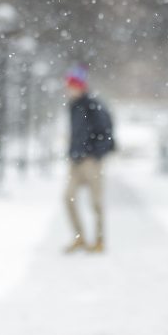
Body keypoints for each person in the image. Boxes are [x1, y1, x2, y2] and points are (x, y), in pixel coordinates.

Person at [63, 66, 115, 254]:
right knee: (68, 198)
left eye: (71, 85)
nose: (68, 89)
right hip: (75, 161)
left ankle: (99, 240)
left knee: (96, 202)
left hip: (91, 161)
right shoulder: (73, 106)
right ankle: (80, 238)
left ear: (80, 86)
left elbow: (107, 132)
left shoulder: (94, 105)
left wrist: (96, 154)